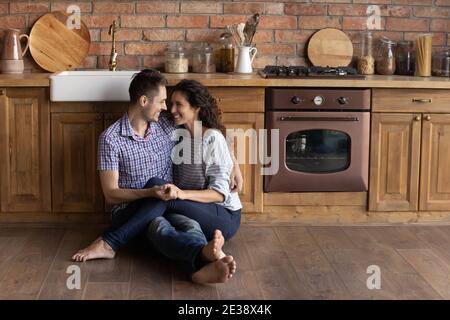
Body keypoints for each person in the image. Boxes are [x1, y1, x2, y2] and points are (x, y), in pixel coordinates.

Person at [72, 70, 242, 284]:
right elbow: (111, 195)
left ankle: (200, 264)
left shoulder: (165, 124)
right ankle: (201, 257)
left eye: (171, 103)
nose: (166, 108)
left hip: (169, 201)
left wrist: (233, 162)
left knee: (187, 226)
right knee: (159, 224)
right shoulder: (111, 139)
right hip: (133, 209)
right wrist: (150, 193)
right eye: (162, 101)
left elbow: (209, 125)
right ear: (144, 101)